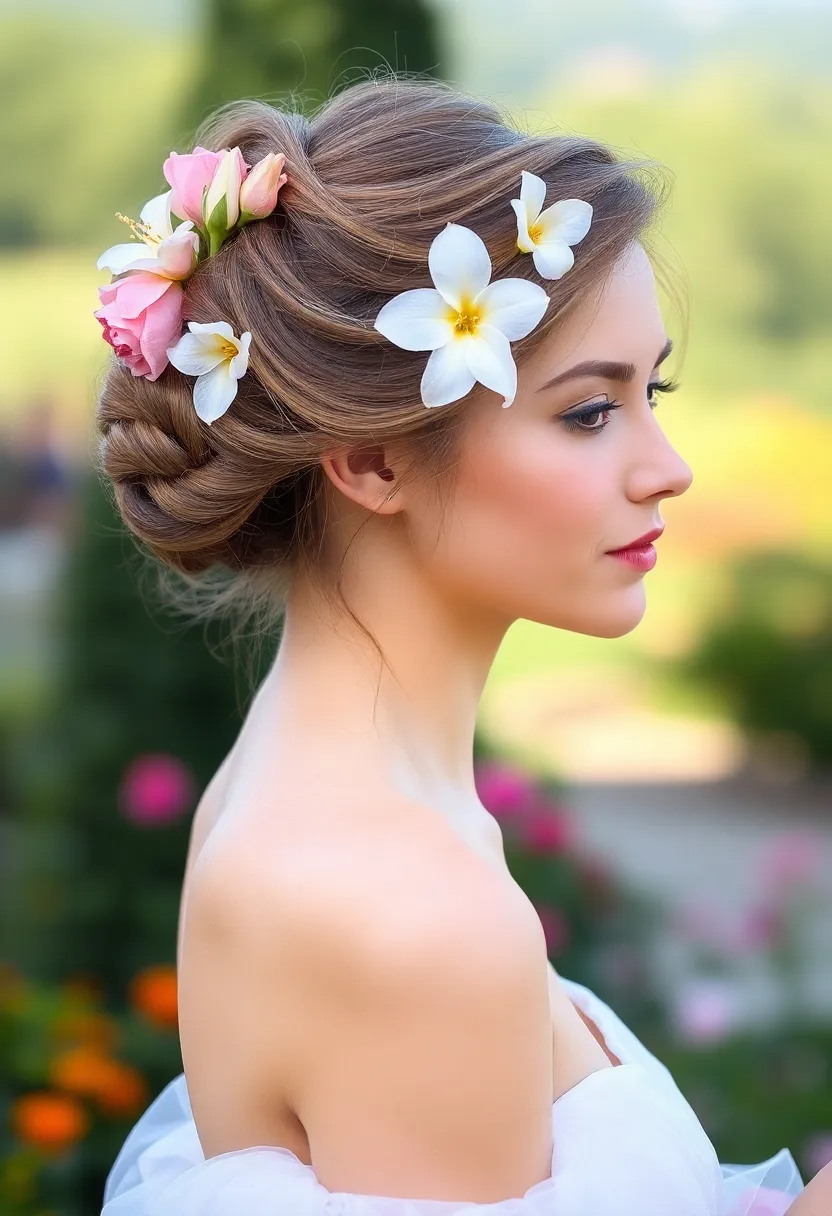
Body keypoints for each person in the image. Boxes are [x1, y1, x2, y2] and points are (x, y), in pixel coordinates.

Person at [94, 75, 819, 1214]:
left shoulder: (297, 783)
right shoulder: (412, 910)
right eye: (589, 410)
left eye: (654, 389)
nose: (666, 465)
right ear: (373, 461)